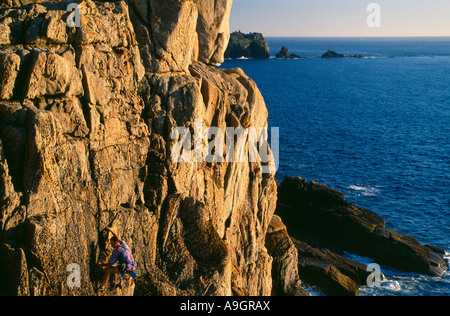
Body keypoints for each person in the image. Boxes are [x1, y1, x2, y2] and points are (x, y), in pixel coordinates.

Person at [97, 227, 137, 293]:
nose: (112, 245)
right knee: (120, 265)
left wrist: (102, 265)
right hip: (132, 266)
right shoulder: (123, 244)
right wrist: (111, 230)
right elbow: (116, 237)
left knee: (108, 270)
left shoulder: (117, 251)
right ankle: (121, 282)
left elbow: (110, 263)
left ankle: (102, 287)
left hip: (127, 267)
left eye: (112, 244)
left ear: (116, 243)